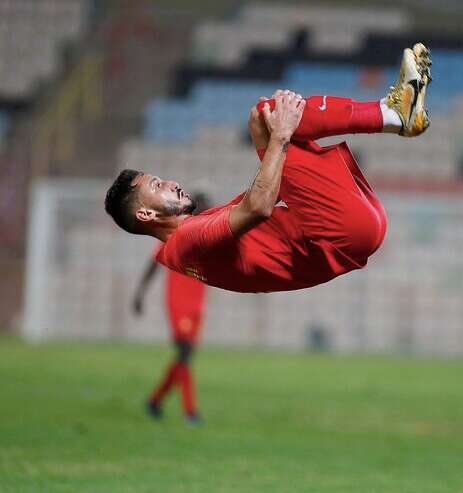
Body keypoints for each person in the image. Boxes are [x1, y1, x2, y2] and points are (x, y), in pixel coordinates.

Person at [105, 43, 432, 293]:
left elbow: (261, 195)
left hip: (354, 232)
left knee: (264, 118)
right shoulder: (189, 238)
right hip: (341, 234)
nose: (171, 183)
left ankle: (394, 113)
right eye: (158, 186)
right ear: (146, 215)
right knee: (270, 114)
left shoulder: (186, 244)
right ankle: (393, 114)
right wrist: (282, 135)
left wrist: (278, 136)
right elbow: (260, 206)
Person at [132, 192, 212, 423]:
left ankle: (155, 401)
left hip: (197, 305)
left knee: (184, 356)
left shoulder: (208, 235)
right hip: (178, 303)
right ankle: (190, 412)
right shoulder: (176, 231)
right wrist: (140, 293)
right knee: (185, 353)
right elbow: (154, 263)